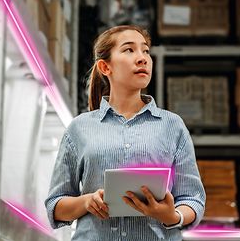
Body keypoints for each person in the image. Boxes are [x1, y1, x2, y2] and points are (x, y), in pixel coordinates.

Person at [45, 25, 206, 240]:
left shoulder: (172, 126)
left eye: (146, 51)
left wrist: (172, 216)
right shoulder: (79, 128)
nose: (142, 58)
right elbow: (56, 205)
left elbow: (193, 198)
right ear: (105, 67)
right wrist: (86, 201)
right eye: (129, 50)